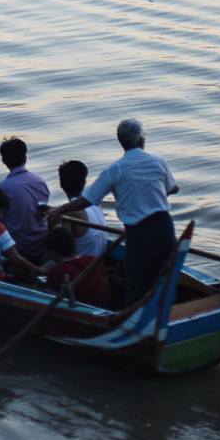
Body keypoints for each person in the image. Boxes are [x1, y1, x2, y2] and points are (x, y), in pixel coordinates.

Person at [64, 118, 178, 309]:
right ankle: (165, 316)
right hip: (163, 228)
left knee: (135, 283)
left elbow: (88, 200)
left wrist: (61, 210)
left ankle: (134, 323)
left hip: (139, 232)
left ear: (121, 142)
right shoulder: (159, 162)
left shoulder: (114, 170)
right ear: (142, 140)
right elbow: (171, 188)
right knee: (163, 277)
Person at [0, 136, 50, 262]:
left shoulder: (2, 188)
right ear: (25, 158)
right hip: (41, 244)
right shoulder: (40, 181)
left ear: (3, 161)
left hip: (18, 249)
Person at [52, 159, 110, 263]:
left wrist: (51, 222)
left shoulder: (70, 213)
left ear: (61, 184)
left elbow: (64, 255)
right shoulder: (96, 205)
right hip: (98, 266)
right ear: (84, 182)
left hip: (80, 271)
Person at [39, 226, 110, 307]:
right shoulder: (95, 261)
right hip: (101, 310)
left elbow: (47, 301)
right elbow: (106, 289)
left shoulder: (56, 272)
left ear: (53, 252)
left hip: (78, 314)